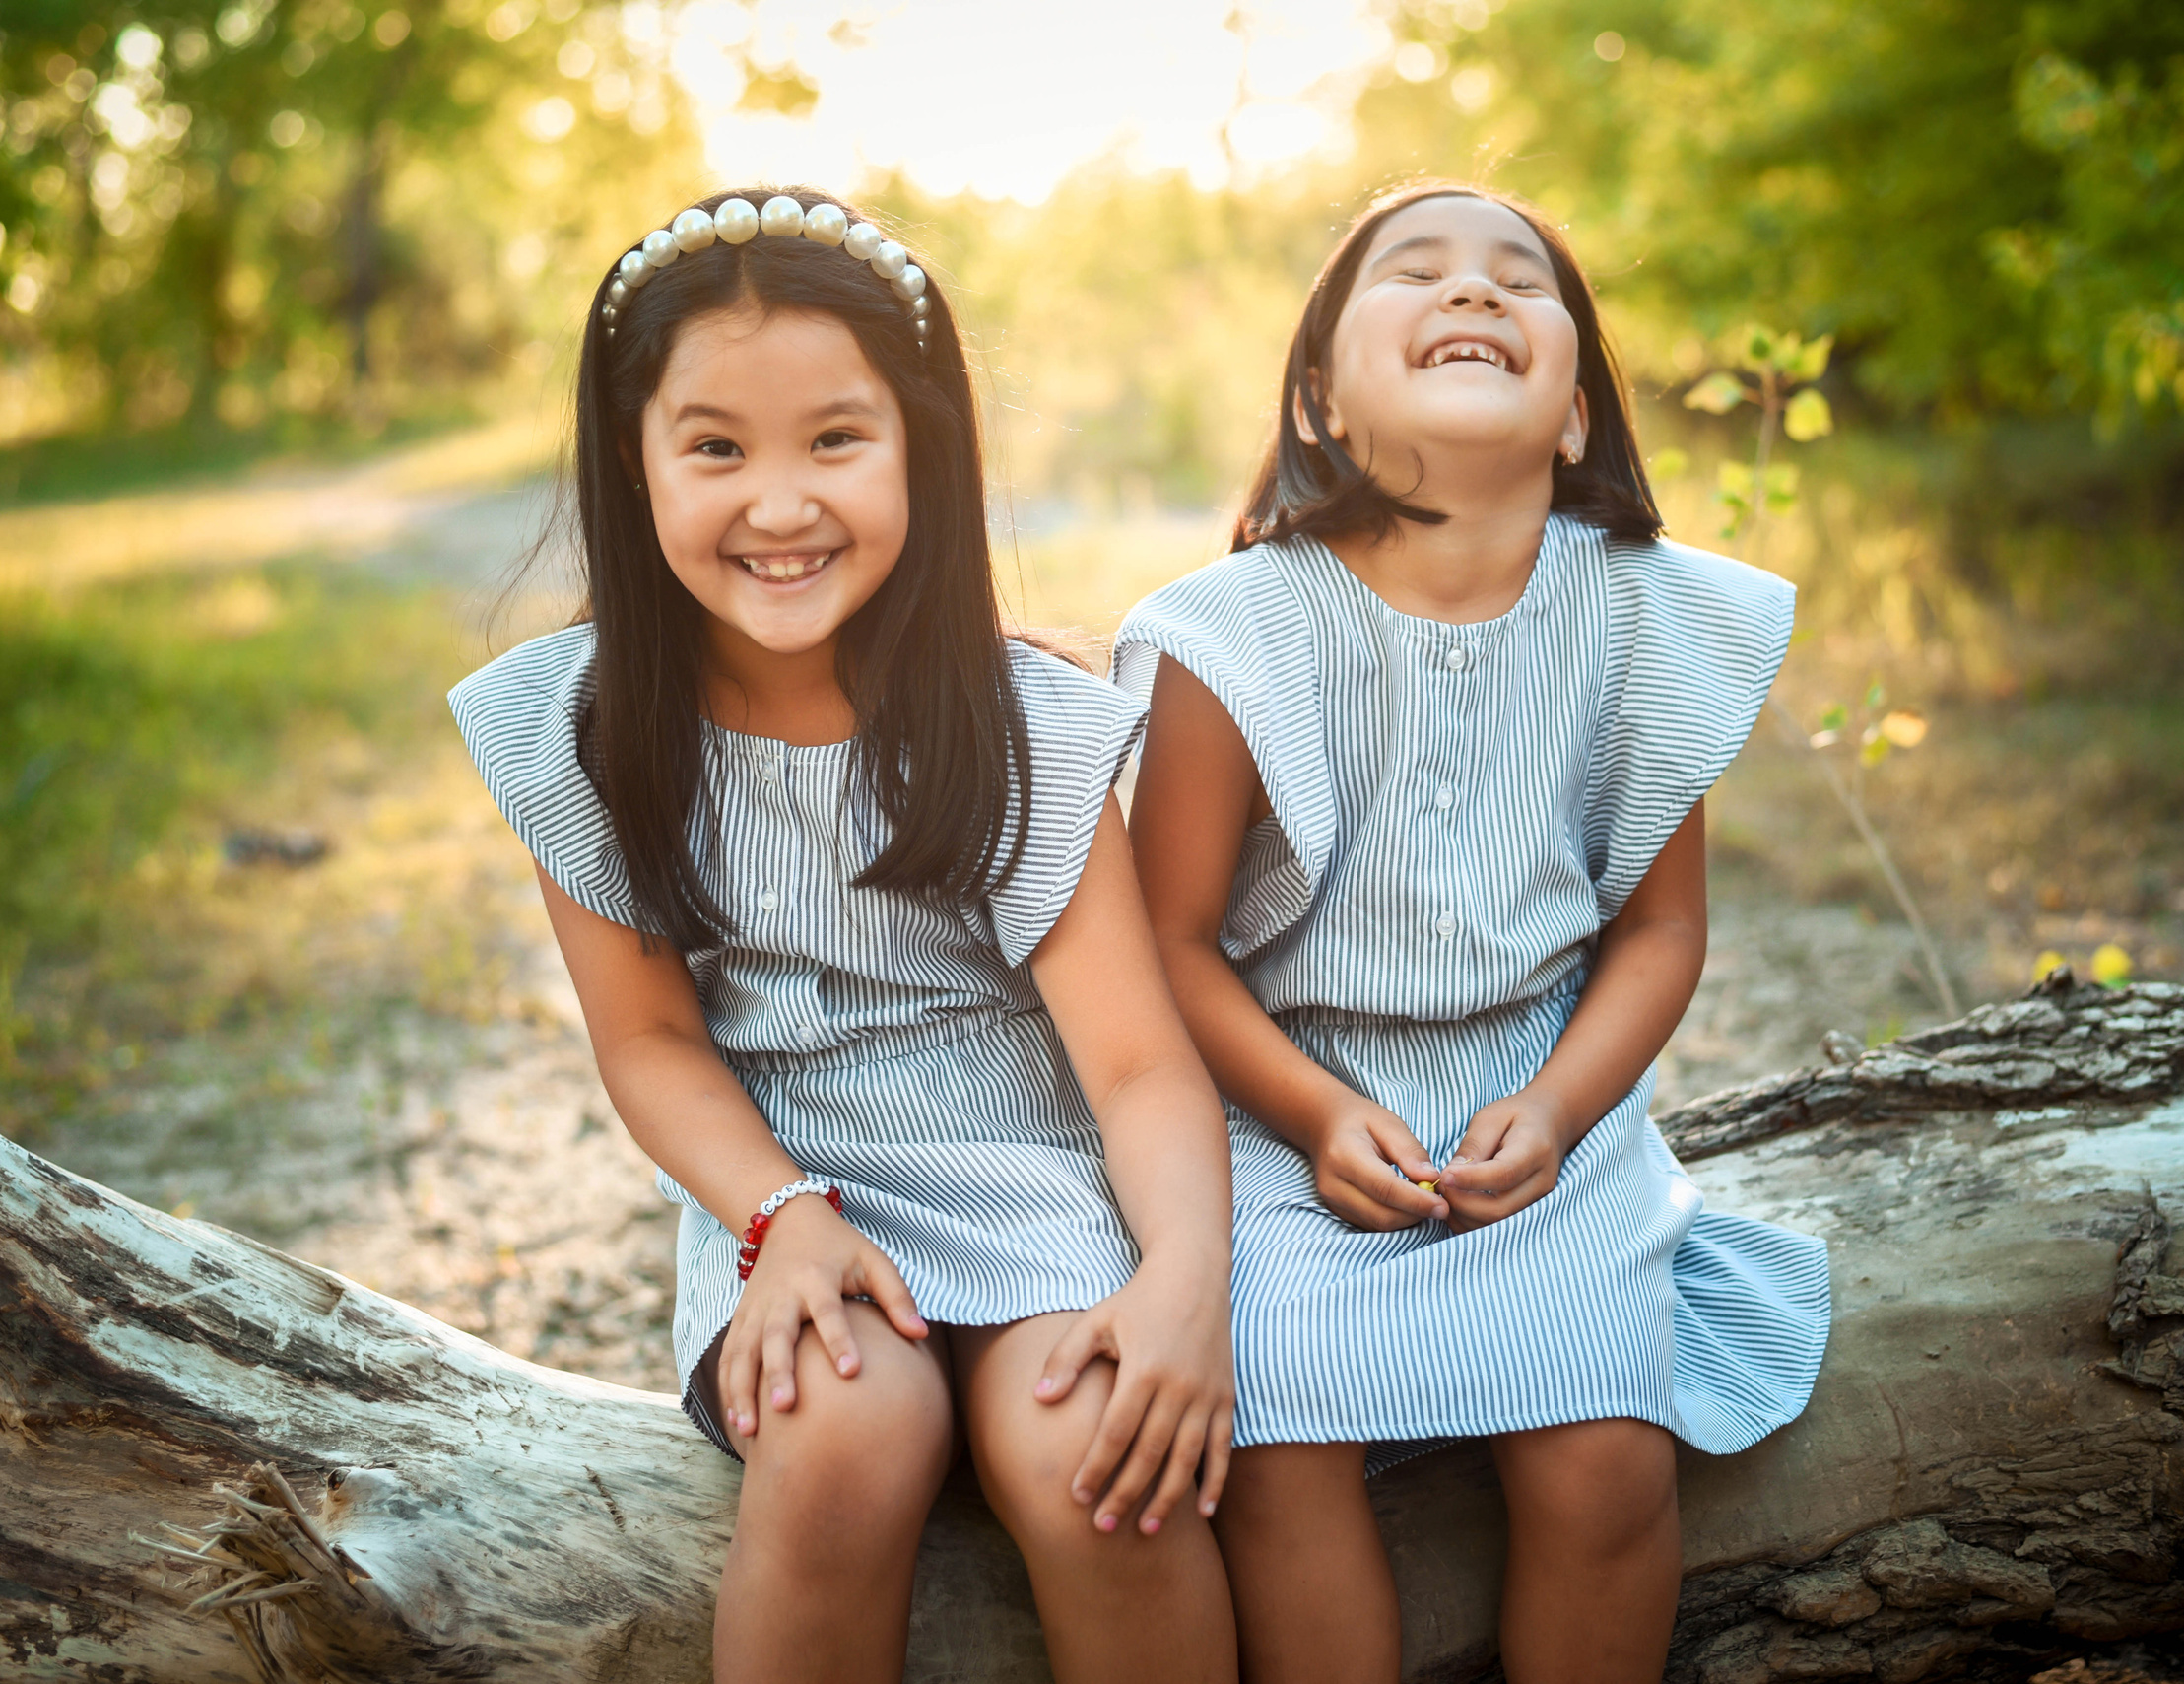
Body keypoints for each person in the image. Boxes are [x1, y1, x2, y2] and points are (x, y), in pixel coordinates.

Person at [451, 187, 1236, 1684]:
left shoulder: (1021, 726)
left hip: (1030, 1169)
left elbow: (1138, 1064)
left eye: (835, 438)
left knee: (1099, 1464)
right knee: (838, 1444)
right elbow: (652, 1041)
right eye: (716, 447)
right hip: (788, 1177)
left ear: (922, 450)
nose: (780, 502)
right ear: (635, 462)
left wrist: (1185, 1276)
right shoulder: (587, 732)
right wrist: (776, 1213)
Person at [1116, 180, 1831, 1684]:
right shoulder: (1233, 631)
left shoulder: (1645, 616)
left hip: (1541, 1091)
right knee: (1279, 1449)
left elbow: (1659, 932)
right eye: (1417, 273)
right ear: (1316, 396)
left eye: (1521, 280)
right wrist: (1310, 1112)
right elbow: (1171, 942)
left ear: (1575, 411)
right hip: (1281, 1097)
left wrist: (1565, 1110)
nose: (1474, 293)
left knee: (1604, 1468)